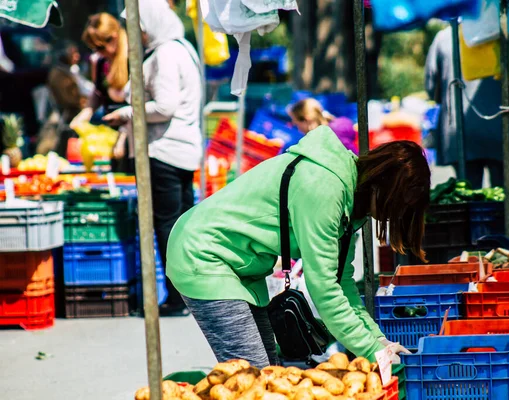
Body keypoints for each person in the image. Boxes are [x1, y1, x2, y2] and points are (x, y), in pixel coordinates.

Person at [166, 125, 430, 367]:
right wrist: (374, 352)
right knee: (253, 378)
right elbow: (325, 292)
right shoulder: (324, 189)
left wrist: (380, 341)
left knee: (270, 374)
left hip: (240, 265)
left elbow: (342, 282)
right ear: (381, 186)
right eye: (396, 207)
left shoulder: (352, 204)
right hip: (204, 253)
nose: (389, 217)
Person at [103, 0, 202, 316]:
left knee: (168, 226)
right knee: (180, 225)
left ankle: (177, 298)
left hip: (165, 151)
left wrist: (127, 113)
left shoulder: (166, 55)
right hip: (180, 150)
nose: (140, 35)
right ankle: (189, 294)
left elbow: (165, 106)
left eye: (141, 28)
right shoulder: (181, 49)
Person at [425, 27, 509, 189]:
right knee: (505, 199)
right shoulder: (508, 33)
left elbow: (431, 86)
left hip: (461, 130)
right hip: (503, 127)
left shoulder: (445, 37)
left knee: (469, 198)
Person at [71, 12, 129, 171]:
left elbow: (140, 105)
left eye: (101, 47)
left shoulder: (133, 59)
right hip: (112, 134)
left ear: (114, 37)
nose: (98, 52)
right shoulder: (101, 62)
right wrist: (85, 113)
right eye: (94, 48)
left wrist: (124, 136)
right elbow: (97, 93)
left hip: (134, 136)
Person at [290, 98, 358, 154]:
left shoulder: (331, 135)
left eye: (296, 124)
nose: (298, 129)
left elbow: (354, 159)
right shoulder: (333, 129)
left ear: (307, 119)